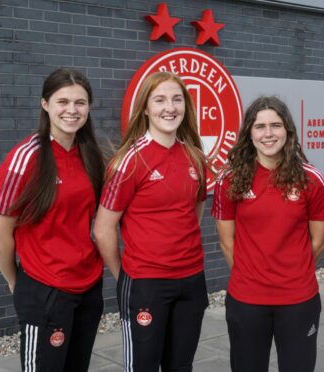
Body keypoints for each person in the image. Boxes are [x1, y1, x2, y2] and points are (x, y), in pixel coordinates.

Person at [0, 68, 105, 371]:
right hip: (44, 289)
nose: (72, 110)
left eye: (80, 103)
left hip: (88, 287)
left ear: (89, 107)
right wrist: (18, 283)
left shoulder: (90, 154)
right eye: (62, 101)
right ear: (45, 104)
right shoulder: (25, 159)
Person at [93, 71, 208, 372]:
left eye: (176, 99)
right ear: (145, 108)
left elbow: (193, 212)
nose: (169, 108)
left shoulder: (195, 157)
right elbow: (103, 229)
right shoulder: (130, 161)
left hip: (191, 280)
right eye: (160, 100)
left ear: (186, 106)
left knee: (181, 365)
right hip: (145, 282)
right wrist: (125, 278)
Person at [212, 96, 324, 372]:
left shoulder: (311, 178)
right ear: (249, 133)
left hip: (299, 300)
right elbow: (226, 241)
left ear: (287, 131)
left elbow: (319, 240)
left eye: (275, 125)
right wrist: (251, 275)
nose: (268, 134)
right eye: (260, 126)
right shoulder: (229, 179)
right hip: (246, 300)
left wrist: (292, 272)